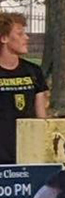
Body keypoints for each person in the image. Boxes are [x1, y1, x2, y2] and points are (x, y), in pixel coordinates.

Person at [0, 11, 49, 164]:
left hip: (28, 153)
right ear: (4, 38)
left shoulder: (34, 71)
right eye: (20, 34)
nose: (26, 38)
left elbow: (41, 117)